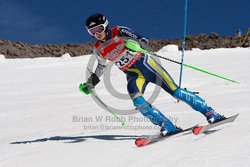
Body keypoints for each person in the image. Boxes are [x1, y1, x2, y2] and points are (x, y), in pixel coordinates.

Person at [80, 13, 224, 136]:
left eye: (99, 29)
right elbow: (101, 66)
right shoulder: (99, 49)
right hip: (133, 74)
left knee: (175, 92)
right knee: (138, 102)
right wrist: (91, 83)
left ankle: (210, 113)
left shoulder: (119, 31)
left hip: (146, 63)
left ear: (105, 25)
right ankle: (167, 125)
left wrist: (136, 45)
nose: (97, 33)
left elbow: (143, 40)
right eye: (92, 32)